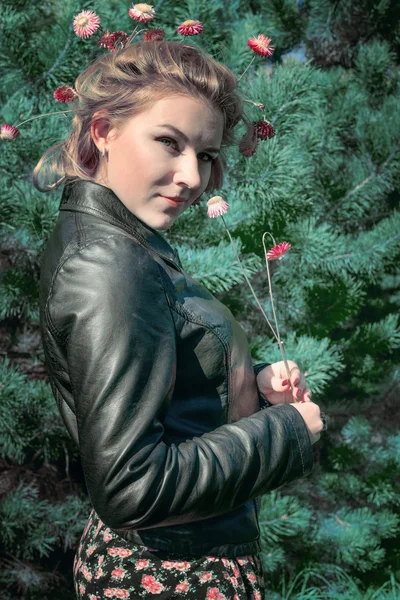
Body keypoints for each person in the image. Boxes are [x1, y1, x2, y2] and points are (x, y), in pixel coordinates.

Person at [37, 40, 324, 599]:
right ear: (103, 131)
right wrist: (287, 433)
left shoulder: (123, 243)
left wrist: (246, 380)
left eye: (208, 155)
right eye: (169, 142)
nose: (191, 176)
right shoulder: (111, 264)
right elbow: (132, 486)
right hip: (171, 574)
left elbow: (160, 373)